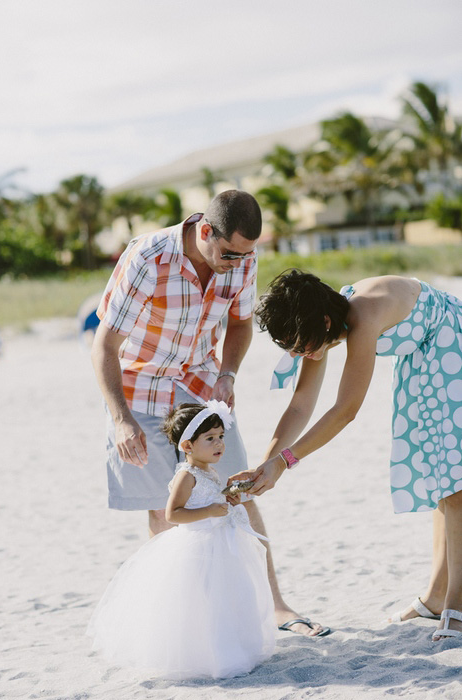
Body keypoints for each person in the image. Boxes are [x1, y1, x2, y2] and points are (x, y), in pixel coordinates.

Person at [91, 190, 327, 637]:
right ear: (204, 231)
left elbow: (239, 324)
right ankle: (184, 621)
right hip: (137, 390)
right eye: (229, 254)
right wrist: (121, 418)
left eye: (245, 255)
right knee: (167, 511)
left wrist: (229, 374)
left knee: (241, 490)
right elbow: (104, 345)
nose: (236, 264)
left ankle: (275, 606)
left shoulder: (243, 258)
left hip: (200, 386)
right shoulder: (147, 257)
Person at [230, 270, 462, 642]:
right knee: (439, 480)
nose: (300, 353)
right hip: (421, 358)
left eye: (301, 345)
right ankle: (436, 597)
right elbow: (300, 406)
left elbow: (346, 409)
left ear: (323, 321)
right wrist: (266, 463)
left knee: (456, 484)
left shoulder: (363, 316)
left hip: (453, 346)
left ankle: (458, 604)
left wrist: (286, 463)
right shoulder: (317, 322)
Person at [87, 400, 276, 679]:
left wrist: (225, 498)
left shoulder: (209, 471)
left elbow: (210, 497)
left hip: (220, 544)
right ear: (187, 446)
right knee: (202, 600)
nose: (219, 444)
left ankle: (232, 647)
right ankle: (208, 655)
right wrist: (209, 510)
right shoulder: (186, 475)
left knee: (226, 597)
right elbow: (173, 514)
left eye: (221, 437)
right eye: (210, 438)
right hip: (198, 546)